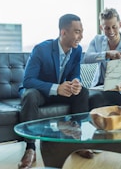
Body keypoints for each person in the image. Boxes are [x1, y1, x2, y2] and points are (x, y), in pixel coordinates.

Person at [18, 14, 89, 169]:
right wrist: (56, 88)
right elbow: (28, 81)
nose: (81, 36)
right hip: (41, 93)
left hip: (63, 93)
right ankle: (30, 149)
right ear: (63, 33)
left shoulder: (77, 51)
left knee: (83, 92)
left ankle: (77, 140)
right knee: (29, 95)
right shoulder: (41, 49)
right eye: (77, 32)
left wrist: (76, 82)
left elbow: (75, 73)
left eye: (81, 31)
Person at [83, 7, 121, 110]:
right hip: (102, 88)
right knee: (93, 99)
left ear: (120, 25)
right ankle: (98, 125)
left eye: (114, 27)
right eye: (107, 28)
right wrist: (107, 54)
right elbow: (86, 58)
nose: (111, 31)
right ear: (101, 27)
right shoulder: (97, 40)